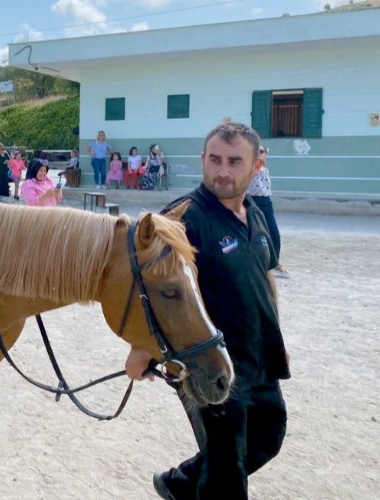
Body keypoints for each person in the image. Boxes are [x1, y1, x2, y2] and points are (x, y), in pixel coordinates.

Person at [126, 122, 290, 500]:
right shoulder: (182, 218)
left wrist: (276, 333)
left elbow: (266, 277)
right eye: (215, 160)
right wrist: (140, 346)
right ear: (202, 160)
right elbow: (143, 285)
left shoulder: (257, 215)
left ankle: (180, 484)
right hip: (207, 364)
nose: (223, 171)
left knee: (268, 436)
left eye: (235, 161)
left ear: (257, 165)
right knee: (227, 475)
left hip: (260, 355)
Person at [248, 146, 289, 278]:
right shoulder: (249, 169)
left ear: (265, 154)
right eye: (257, 151)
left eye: (262, 152)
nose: (259, 154)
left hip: (265, 201)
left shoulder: (265, 170)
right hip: (251, 200)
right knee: (251, 232)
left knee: (273, 232)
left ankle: (275, 262)